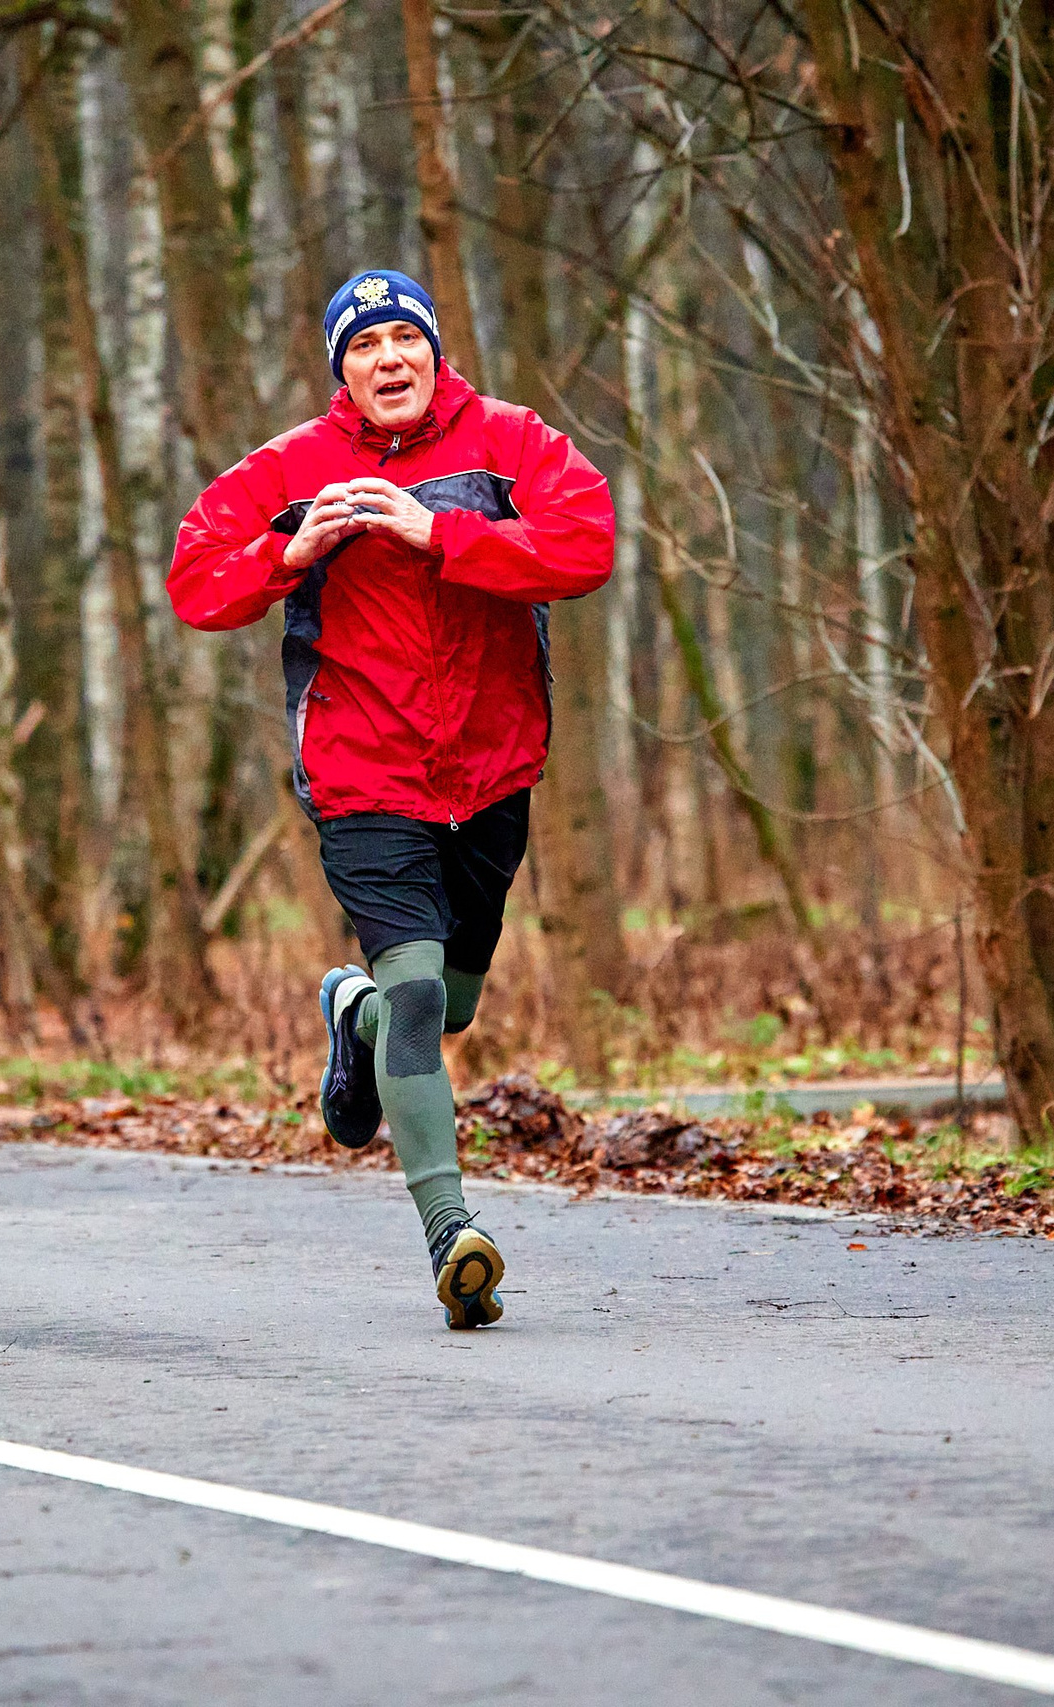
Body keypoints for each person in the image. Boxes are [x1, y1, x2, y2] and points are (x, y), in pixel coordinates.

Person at [166, 269, 614, 1328]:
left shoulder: (512, 443)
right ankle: (450, 1234)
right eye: (363, 347)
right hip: (364, 774)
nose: (388, 360)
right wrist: (294, 549)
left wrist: (436, 534)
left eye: (403, 339)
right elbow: (195, 579)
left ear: (435, 350)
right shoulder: (294, 468)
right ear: (343, 371)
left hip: (493, 771)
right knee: (419, 992)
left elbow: (585, 548)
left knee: (447, 1006)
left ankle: (352, 1013)